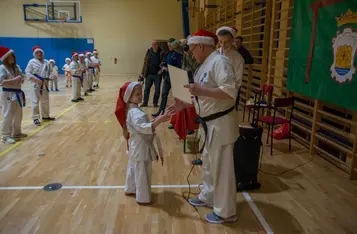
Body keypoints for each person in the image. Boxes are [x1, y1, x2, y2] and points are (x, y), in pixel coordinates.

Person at [167, 29, 239, 224]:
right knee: (208, 163)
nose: (190, 53)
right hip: (208, 123)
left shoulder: (220, 62)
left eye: (191, 49)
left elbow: (230, 92)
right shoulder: (204, 66)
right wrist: (184, 103)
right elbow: (203, 96)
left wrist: (200, 90)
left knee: (222, 168)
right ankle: (208, 196)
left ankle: (226, 211)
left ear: (201, 45)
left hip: (221, 123)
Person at [115, 81, 169, 204]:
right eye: (137, 94)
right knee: (142, 171)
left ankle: (131, 188)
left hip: (136, 145)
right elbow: (144, 128)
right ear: (129, 97)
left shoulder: (133, 109)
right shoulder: (134, 112)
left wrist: (154, 120)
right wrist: (159, 120)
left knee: (134, 167)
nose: (140, 96)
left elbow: (141, 125)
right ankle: (143, 197)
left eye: (140, 93)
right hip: (141, 146)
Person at [0, 46, 27, 144]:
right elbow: (1, 81)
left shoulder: (16, 67)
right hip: (8, 93)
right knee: (8, 114)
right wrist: (15, 80)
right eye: (9, 57)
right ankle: (5, 136)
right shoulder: (2, 68)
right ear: (5, 58)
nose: (11, 58)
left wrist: (22, 78)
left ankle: (17, 133)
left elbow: (22, 75)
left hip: (18, 92)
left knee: (18, 114)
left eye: (12, 56)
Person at [25, 46, 55, 126]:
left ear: (43, 53)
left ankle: (45, 116)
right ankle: (35, 118)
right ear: (34, 54)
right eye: (37, 53)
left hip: (44, 83)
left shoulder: (47, 62)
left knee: (45, 100)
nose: (39, 54)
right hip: (35, 84)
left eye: (40, 52)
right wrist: (35, 79)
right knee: (35, 101)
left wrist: (48, 79)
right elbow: (27, 72)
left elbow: (51, 72)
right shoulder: (31, 62)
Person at [152, 39, 183, 117]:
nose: (169, 47)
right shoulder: (168, 53)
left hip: (175, 78)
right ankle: (161, 112)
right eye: (168, 45)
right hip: (167, 78)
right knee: (164, 95)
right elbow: (165, 62)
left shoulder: (178, 54)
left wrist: (168, 69)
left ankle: (177, 116)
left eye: (170, 45)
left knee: (177, 98)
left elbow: (180, 67)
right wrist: (162, 66)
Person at [140, 40, 165, 108]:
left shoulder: (161, 52)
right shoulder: (149, 52)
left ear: (158, 45)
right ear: (152, 45)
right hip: (149, 74)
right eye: (153, 44)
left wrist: (161, 70)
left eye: (156, 44)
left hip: (157, 75)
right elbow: (145, 63)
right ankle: (145, 102)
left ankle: (155, 103)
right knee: (146, 89)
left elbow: (164, 63)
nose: (154, 45)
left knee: (157, 90)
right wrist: (142, 72)